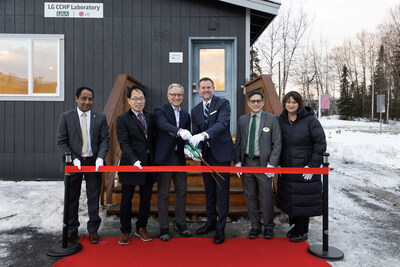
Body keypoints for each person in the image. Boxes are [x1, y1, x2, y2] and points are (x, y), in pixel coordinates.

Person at [57, 86, 110, 244]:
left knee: (93, 197)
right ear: (76, 99)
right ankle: (72, 230)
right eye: (84, 98)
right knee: (72, 198)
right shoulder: (66, 117)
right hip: (73, 165)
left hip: (93, 163)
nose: (87, 102)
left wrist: (100, 157)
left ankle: (93, 230)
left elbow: (104, 140)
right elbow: (62, 142)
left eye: (90, 99)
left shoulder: (100, 118)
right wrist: (73, 158)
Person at [190, 77, 235, 244]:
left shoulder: (223, 104)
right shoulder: (195, 110)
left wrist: (204, 135)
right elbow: (196, 131)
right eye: (203, 88)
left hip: (221, 154)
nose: (206, 90)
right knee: (209, 190)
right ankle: (211, 222)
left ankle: (220, 228)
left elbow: (222, 124)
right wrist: (197, 149)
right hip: (206, 156)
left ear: (213, 88)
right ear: (199, 90)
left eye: (209, 87)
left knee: (222, 192)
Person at [277, 91, 327, 243]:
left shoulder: (310, 120)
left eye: (294, 102)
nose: (291, 105)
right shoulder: (281, 120)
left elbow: (320, 143)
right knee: (292, 197)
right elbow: (278, 142)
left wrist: (312, 166)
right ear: (284, 104)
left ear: (299, 104)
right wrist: (278, 162)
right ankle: (296, 226)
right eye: (288, 102)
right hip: (287, 167)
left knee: (303, 199)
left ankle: (302, 230)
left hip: (304, 167)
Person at [235, 91, 281, 239]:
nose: (255, 104)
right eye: (252, 101)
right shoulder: (242, 119)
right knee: (250, 196)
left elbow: (277, 143)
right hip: (247, 162)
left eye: (258, 101)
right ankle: (255, 225)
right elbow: (239, 142)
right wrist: (237, 162)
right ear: (248, 103)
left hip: (263, 164)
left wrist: (272, 164)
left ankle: (268, 226)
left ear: (262, 103)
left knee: (266, 197)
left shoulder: (272, 119)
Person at [116, 85, 156, 245]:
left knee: (146, 198)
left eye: (141, 98)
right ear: (128, 100)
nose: (138, 102)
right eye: (135, 99)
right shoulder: (122, 119)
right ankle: (125, 230)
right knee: (127, 198)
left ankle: (141, 227)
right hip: (131, 164)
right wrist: (134, 160)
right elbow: (124, 143)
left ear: (145, 100)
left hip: (148, 163)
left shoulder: (150, 116)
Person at [154, 83, 192, 241]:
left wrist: (190, 148)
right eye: (174, 95)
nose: (177, 98)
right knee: (163, 193)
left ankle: (180, 224)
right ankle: (164, 227)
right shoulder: (160, 111)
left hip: (179, 157)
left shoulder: (186, 115)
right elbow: (162, 125)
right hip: (164, 158)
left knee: (181, 191)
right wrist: (179, 131)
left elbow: (187, 136)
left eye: (180, 95)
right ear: (168, 95)